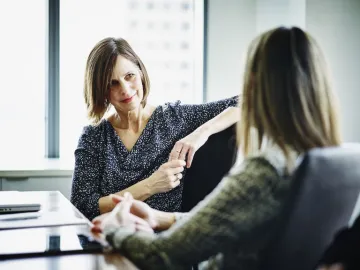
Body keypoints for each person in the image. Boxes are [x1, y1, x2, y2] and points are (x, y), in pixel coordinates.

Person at [90, 26, 342, 270]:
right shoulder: (330, 165)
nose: (124, 88)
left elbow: (162, 255)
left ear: (256, 84)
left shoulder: (264, 171)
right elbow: (233, 219)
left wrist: (115, 229)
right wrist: (161, 217)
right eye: (112, 83)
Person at [70, 37, 240, 221]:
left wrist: (201, 133)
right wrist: (151, 185)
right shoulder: (93, 136)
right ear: (101, 90)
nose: (126, 90)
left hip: (164, 238)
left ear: (141, 73)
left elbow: (248, 101)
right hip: (108, 239)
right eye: (113, 83)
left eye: (129, 76)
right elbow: (82, 206)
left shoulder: (174, 118)